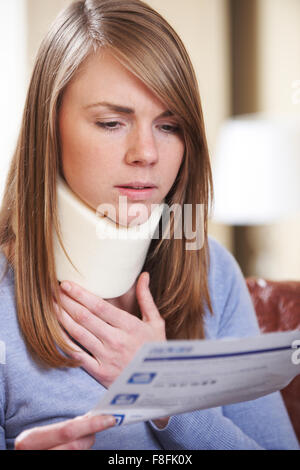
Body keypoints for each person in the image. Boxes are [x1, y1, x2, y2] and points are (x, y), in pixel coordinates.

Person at [0, 0, 299, 451]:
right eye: (111, 122)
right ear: (49, 126)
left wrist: (166, 394)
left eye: (169, 125)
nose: (146, 153)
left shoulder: (213, 271)